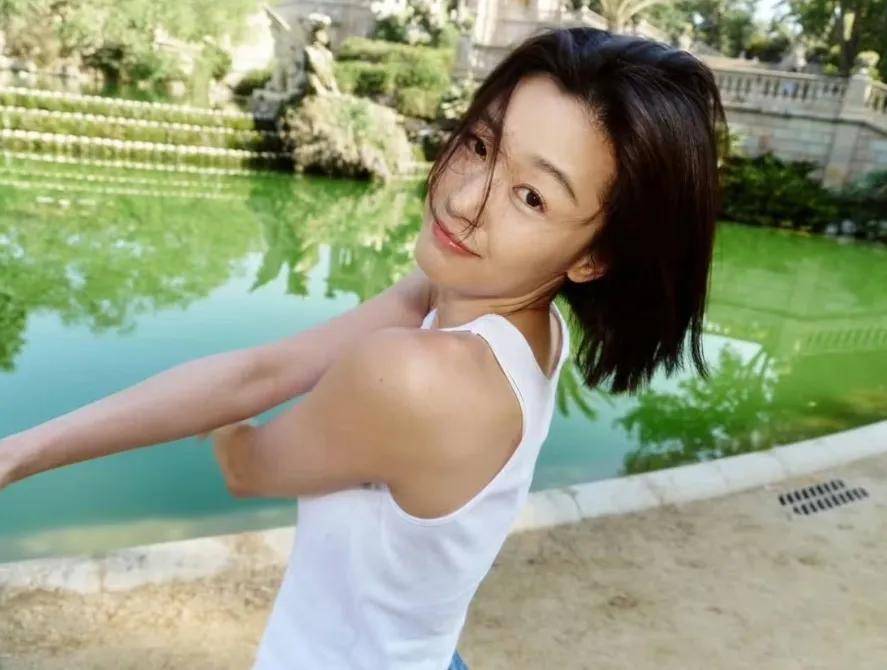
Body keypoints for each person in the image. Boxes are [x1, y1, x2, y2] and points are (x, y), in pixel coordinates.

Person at [0, 26, 727, 669]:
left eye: (531, 197)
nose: (462, 200)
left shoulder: (420, 378)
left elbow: (247, 464)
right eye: (480, 146)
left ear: (594, 257)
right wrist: (16, 454)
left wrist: (222, 420)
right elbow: (267, 370)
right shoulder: (512, 321)